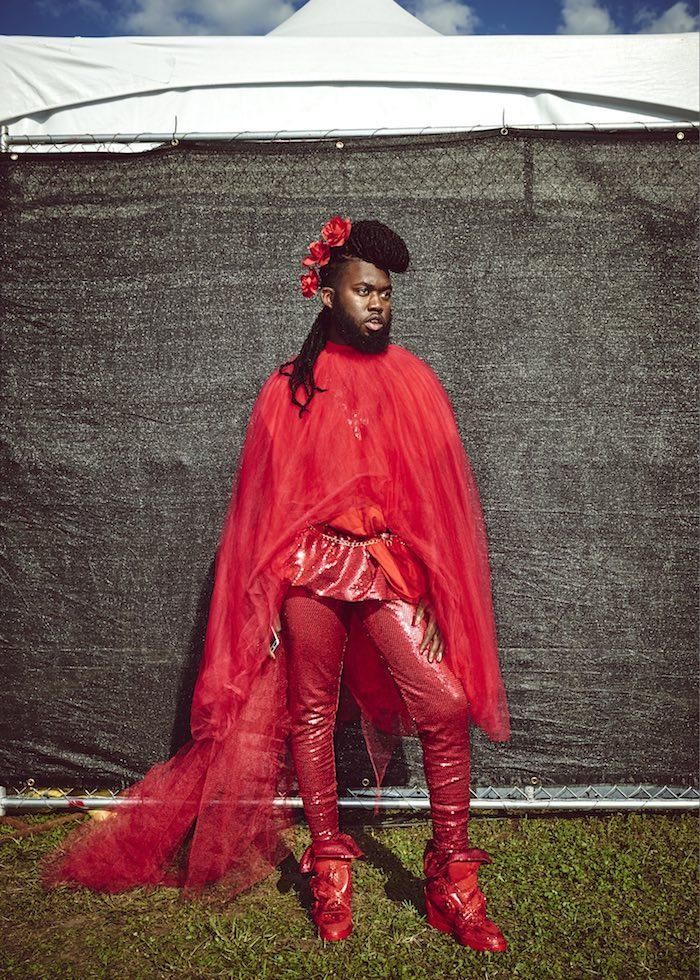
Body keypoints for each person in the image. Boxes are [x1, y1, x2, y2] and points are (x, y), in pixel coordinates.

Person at [40, 215, 510, 954]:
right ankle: (329, 863)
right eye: (364, 291)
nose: (379, 306)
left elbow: (435, 504)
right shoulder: (287, 390)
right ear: (326, 294)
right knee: (310, 711)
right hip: (308, 568)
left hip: (385, 567)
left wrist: (430, 595)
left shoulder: (414, 380)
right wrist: (260, 605)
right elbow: (262, 509)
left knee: (443, 703)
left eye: (386, 294)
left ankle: (451, 874)